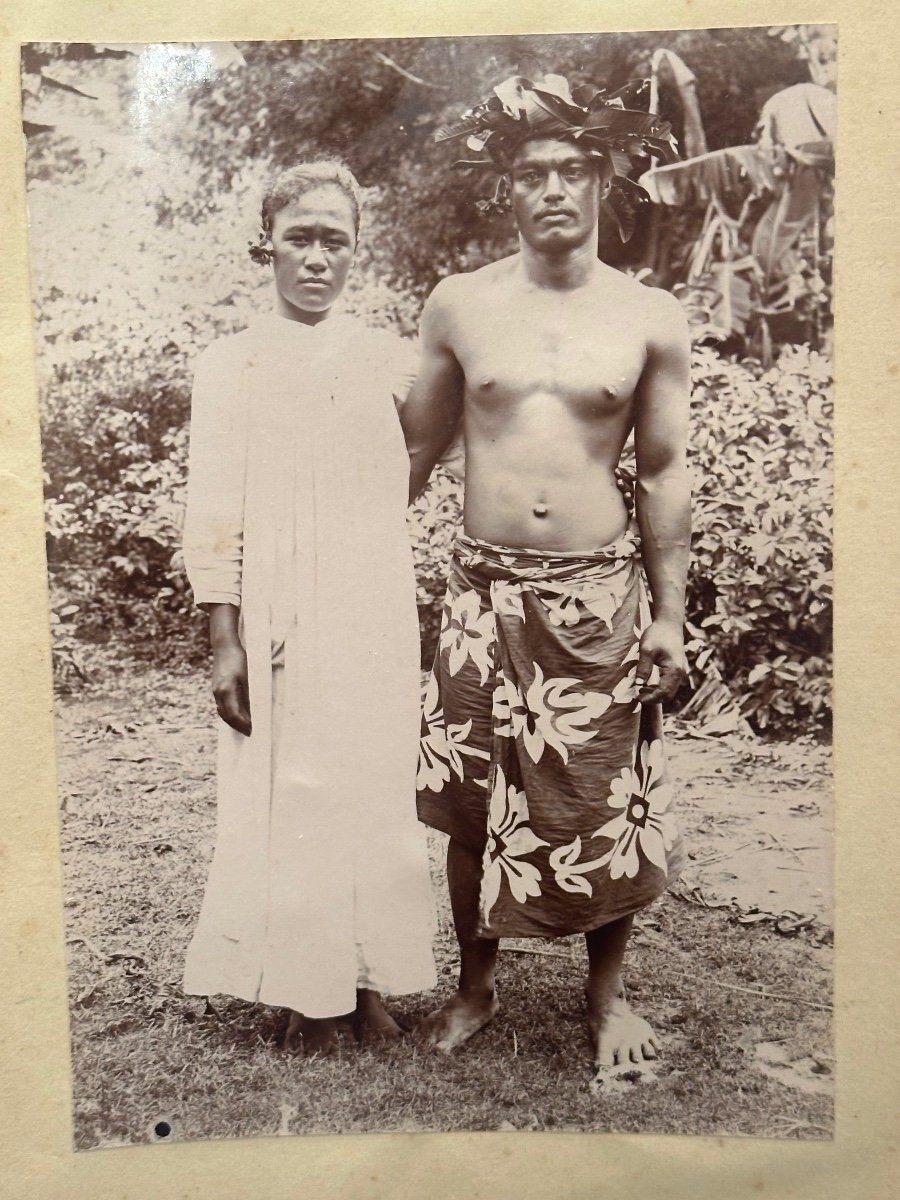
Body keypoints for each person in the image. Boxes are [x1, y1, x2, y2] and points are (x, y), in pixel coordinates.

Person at [403, 71, 691, 1072]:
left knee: (605, 803)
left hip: (598, 595)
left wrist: (669, 615)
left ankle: (605, 1002)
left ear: (604, 180)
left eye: (574, 170)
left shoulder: (649, 316)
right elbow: (412, 452)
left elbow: (661, 470)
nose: (555, 189)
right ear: (509, 192)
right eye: (534, 174)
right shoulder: (459, 305)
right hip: (480, 596)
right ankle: (474, 989)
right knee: (472, 800)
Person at [182, 160, 436, 1055]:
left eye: (336, 240)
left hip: (370, 596)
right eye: (301, 239)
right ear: (267, 247)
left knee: (368, 781)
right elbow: (213, 504)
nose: (317, 258)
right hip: (278, 604)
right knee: (293, 785)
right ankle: (308, 993)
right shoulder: (231, 362)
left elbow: (436, 442)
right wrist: (225, 638)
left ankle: (365, 983)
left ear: (357, 252)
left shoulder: (387, 357)